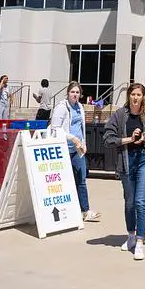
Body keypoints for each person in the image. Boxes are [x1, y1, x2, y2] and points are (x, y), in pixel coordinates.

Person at [103, 83, 145, 261]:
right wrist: (129, 139)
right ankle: (130, 235)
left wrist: (144, 137)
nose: (135, 98)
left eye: (139, 95)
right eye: (133, 94)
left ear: (143, 96)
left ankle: (139, 242)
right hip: (127, 161)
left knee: (140, 201)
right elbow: (108, 138)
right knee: (129, 202)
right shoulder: (120, 115)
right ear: (128, 96)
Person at [50, 81, 101, 222]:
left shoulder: (80, 107)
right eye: (72, 92)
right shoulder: (61, 108)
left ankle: (85, 210)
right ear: (68, 93)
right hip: (63, 149)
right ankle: (65, 210)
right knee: (64, 181)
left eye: (77, 92)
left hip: (77, 150)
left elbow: (81, 127)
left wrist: (83, 142)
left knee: (82, 180)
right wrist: (72, 138)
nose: (75, 95)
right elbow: (55, 128)